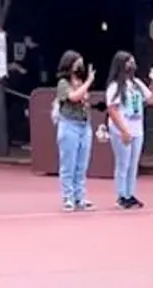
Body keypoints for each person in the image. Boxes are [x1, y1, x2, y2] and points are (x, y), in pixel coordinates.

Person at [105, 52, 153, 210]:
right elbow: (112, 109)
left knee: (133, 163)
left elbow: (152, 100)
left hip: (137, 128)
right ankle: (121, 195)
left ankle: (130, 194)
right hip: (122, 128)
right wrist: (123, 130)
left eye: (133, 62)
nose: (132, 65)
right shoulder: (115, 86)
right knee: (123, 163)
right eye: (128, 62)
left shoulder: (136, 83)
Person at [53, 51, 96, 212]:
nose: (80, 66)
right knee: (68, 164)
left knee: (81, 164)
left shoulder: (80, 81)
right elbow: (73, 97)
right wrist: (89, 82)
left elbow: (83, 99)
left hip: (84, 124)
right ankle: (68, 197)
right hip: (69, 124)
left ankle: (80, 197)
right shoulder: (63, 83)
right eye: (78, 63)